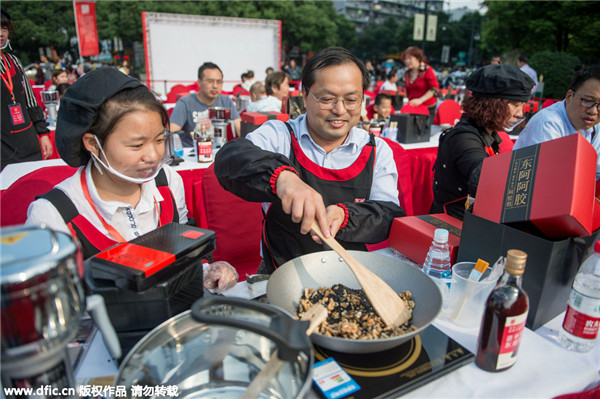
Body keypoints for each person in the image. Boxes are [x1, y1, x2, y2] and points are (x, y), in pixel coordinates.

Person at [25, 68, 237, 290]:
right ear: (93, 144)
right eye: (137, 145)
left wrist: (205, 271)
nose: (153, 156)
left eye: (158, 140)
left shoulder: (168, 183)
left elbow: (184, 248)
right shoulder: (55, 214)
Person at [214, 46, 405, 273]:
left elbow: (388, 215)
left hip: (351, 271)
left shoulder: (376, 150)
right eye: (326, 99)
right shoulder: (281, 135)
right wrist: (282, 178)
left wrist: (346, 215)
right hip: (281, 270)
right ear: (304, 96)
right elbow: (229, 158)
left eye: (352, 99)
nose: (340, 110)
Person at [431, 64, 535, 219]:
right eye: (515, 105)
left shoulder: (488, 134)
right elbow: (483, 180)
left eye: (522, 106)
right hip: (451, 224)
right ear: (492, 104)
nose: (519, 114)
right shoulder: (464, 138)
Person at [514, 65, 600, 180]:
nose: (593, 111)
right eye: (588, 101)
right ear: (569, 96)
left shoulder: (595, 128)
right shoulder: (548, 123)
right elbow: (544, 179)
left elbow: (594, 173)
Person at [1, 8, 52, 170]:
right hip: (3, 143)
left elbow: (30, 100)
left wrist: (43, 134)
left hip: (26, 139)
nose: (1, 34)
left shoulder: (13, 61)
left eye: (4, 28)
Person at [170, 62, 241, 147]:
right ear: (199, 82)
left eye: (219, 82)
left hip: (219, 151)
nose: (215, 86)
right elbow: (172, 133)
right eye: (210, 81)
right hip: (192, 152)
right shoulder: (185, 103)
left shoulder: (226, 101)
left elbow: (240, 129)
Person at [402, 46, 440, 122]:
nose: (407, 61)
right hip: (413, 108)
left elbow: (434, 89)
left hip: (427, 107)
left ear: (417, 58)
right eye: (405, 59)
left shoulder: (427, 70)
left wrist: (420, 100)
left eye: (410, 58)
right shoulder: (407, 73)